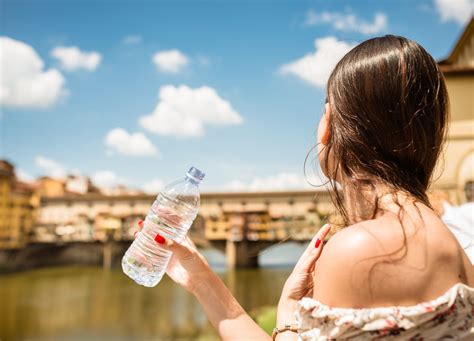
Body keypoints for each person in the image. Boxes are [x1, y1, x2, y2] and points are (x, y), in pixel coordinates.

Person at [136, 35, 474, 340]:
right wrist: (202, 281)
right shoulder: (454, 249)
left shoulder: (359, 250)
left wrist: (287, 320)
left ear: (329, 126)